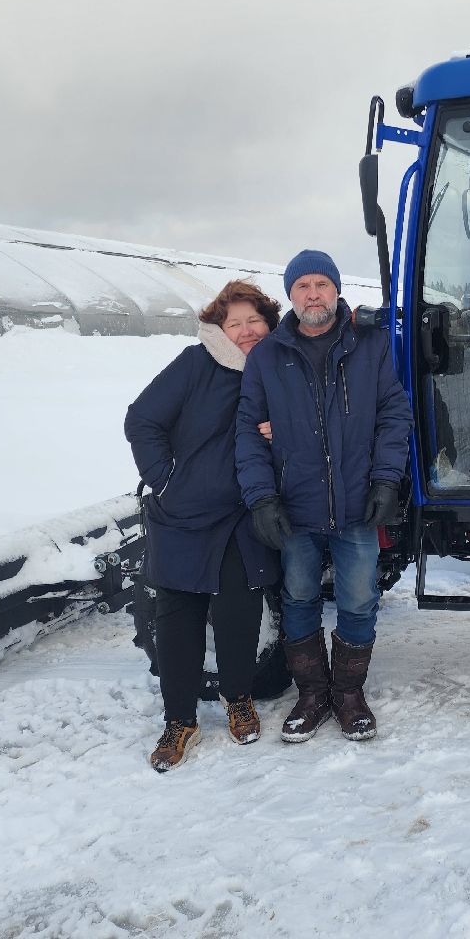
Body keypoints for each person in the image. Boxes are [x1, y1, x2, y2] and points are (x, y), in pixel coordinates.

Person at [236, 250, 411, 742]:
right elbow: (249, 431)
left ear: (336, 290)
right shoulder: (268, 355)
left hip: (356, 503)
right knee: (299, 599)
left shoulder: (368, 345)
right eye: (303, 286)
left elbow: (394, 416)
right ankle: (312, 694)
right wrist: (261, 497)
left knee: (359, 599)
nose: (313, 294)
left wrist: (385, 480)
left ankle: (349, 694)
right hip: (295, 506)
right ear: (290, 296)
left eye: (322, 284)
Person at [124, 280, 283, 772]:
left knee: (239, 611)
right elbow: (141, 420)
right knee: (179, 618)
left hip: (242, 514)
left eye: (253, 320)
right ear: (219, 327)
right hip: (184, 514)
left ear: (268, 322)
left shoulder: (279, 370)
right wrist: (166, 479)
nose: (245, 331)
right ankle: (179, 719)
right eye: (233, 323)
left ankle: (238, 698)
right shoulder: (196, 364)